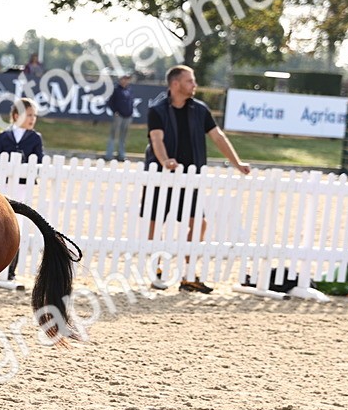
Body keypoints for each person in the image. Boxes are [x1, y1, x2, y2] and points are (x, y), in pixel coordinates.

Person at [143, 65, 249, 293]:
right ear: (175, 84)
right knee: (155, 222)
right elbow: (156, 140)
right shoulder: (157, 110)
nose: (195, 85)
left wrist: (237, 163)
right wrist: (165, 161)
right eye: (190, 81)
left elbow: (217, 137)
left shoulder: (200, 110)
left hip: (191, 178)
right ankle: (156, 271)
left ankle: (188, 275)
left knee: (198, 223)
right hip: (161, 176)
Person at [0, 98, 44, 280]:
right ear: (16, 116)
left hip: (22, 187)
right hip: (3, 186)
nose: (32, 118)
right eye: (29, 115)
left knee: (17, 226)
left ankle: (11, 270)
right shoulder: (3, 136)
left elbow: (39, 161)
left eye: (34, 116)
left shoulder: (35, 138)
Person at [104, 73, 134, 161]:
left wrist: (131, 112)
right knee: (113, 135)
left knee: (123, 136)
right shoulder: (116, 90)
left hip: (127, 116)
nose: (125, 81)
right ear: (120, 80)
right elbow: (110, 102)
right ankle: (109, 154)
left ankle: (121, 154)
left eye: (127, 79)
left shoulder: (129, 90)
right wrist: (115, 111)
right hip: (119, 115)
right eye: (124, 79)